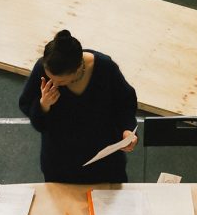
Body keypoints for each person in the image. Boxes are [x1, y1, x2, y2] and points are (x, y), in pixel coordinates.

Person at [19, 30, 138, 184]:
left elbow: (125, 103)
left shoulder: (105, 67)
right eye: (51, 78)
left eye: (62, 81)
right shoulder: (41, 69)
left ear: (79, 68)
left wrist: (127, 129)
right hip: (60, 164)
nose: (54, 84)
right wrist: (43, 105)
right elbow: (34, 116)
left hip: (105, 163)